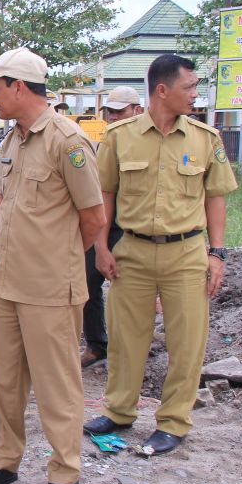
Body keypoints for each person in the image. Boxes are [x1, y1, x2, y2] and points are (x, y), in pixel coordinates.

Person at [0, 48, 105, 484]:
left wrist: (58, 260)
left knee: (57, 384)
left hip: (50, 287)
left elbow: (93, 219)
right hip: (11, 285)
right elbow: (2, 199)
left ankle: (64, 472)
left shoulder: (68, 141)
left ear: (18, 87)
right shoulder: (13, 142)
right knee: (5, 380)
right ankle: (4, 461)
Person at [84, 55, 238, 454]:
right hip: (131, 251)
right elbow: (105, 196)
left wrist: (217, 253)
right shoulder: (120, 137)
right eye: (190, 87)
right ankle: (119, 410)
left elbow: (216, 198)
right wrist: (101, 247)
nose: (196, 94)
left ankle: (173, 421)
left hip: (186, 253)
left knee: (187, 343)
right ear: (163, 90)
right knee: (124, 338)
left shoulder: (206, 139)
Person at [80, 86, 144, 369]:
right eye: (111, 112)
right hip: (103, 225)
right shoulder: (100, 145)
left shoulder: (147, 143)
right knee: (86, 281)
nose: (114, 117)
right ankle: (97, 345)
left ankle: (128, 352)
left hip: (134, 229)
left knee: (129, 292)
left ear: (137, 111)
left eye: (121, 111)